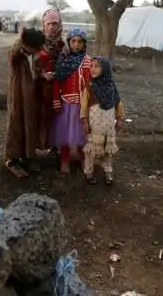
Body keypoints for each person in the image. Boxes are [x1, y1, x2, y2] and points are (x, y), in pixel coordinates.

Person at [5, 27, 46, 178]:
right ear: (27, 45)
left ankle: (28, 157)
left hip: (31, 98)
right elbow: (14, 52)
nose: (39, 50)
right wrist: (21, 40)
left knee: (29, 127)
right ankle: (12, 160)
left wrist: (43, 75)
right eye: (37, 48)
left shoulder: (32, 57)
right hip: (18, 98)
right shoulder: (17, 55)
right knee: (16, 126)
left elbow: (34, 73)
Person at [52, 29, 91, 175]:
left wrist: (90, 103)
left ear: (84, 44)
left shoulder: (87, 61)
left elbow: (90, 83)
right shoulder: (62, 60)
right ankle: (64, 161)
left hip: (82, 105)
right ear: (68, 42)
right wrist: (56, 100)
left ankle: (83, 159)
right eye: (73, 41)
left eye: (80, 41)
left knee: (83, 134)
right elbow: (57, 81)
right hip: (66, 105)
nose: (76, 44)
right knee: (65, 135)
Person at [80, 56, 124, 186]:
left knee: (108, 150)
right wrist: (85, 121)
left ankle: (108, 172)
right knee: (91, 150)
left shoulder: (112, 87)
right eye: (91, 66)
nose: (92, 69)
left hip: (109, 125)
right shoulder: (90, 87)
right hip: (95, 125)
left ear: (105, 69)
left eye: (96, 66)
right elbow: (84, 106)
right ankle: (89, 172)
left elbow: (118, 103)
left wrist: (120, 118)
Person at [34, 9, 65, 152]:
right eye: (49, 23)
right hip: (37, 89)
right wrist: (42, 74)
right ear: (44, 25)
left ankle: (55, 148)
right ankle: (33, 147)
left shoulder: (64, 46)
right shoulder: (37, 44)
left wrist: (58, 74)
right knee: (37, 117)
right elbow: (29, 65)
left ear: (59, 25)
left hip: (58, 89)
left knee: (56, 118)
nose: (52, 27)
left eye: (55, 23)